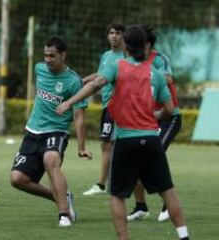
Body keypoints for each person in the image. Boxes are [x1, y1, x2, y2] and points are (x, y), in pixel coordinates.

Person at [56, 26, 189, 240]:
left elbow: (97, 84)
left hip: (127, 140)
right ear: (144, 46)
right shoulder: (154, 73)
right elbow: (170, 110)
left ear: (126, 45)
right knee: (168, 190)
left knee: (117, 196)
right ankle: (184, 236)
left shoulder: (117, 66)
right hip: (151, 139)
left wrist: (69, 102)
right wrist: (153, 115)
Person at [10, 36, 92, 227]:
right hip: (32, 131)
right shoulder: (39, 69)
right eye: (45, 55)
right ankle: (63, 196)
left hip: (57, 131)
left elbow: (79, 117)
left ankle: (63, 214)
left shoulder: (73, 82)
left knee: (51, 160)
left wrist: (81, 147)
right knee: (17, 179)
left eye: (52, 56)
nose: (47, 59)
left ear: (63, 55)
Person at [127, 25, 182, 222]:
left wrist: (146, 75)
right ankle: (140, 207)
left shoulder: (159, 59)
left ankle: (168, 202)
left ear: (147, 44)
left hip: (169, 117)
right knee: (134, 157)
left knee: (153, 155)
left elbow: (168, 78)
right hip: (146, 119)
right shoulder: (132, 60)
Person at [82, 22, 126, 196]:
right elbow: (100, 76)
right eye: (110, 33)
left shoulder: (127, 56)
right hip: (107, 105)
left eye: (117, 33)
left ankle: (103, 183)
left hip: (119, 106)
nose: (113, 36)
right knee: (107, 144)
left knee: (112, 144)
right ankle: (105, 183)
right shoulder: (106, 56)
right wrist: (82, 80)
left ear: (123, 36)